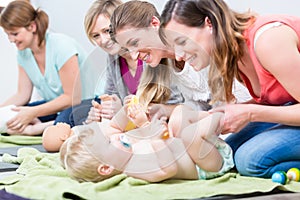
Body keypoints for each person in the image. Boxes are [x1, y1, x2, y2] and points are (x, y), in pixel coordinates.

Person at [159, 0, 300, 178]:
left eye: (182, 41)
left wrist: (249, 113)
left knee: (249, 161)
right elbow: (281, 97)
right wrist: (231, 112)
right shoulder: (234, 52)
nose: (178, 55)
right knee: (230, 152)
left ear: (209, 23)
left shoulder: (268, 41)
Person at [109, 0, 251, 113]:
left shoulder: (198, 45)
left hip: (249, 114)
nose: (134, 56)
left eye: (134, 42)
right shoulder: (167, 64)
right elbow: (200, 106)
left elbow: (242, 99)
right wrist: (164, 111)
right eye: (127, 49)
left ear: (154, 24)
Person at [59, 97, 233, 183]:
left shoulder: (121, 148)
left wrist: (129, 108)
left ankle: (212, 118)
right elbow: (168, 168)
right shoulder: (135, 167)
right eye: (109, 142)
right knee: (189, 135)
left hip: (196, 149)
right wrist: (155, 137)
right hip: (206, 165)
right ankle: (224, 116)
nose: (114, 137)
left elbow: (115, 127)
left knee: (179, 115)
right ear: (107, 167)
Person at [66, 0, 183, 127]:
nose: (103, 40)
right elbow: (110, 96)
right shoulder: (113, 58)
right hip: (133, 122)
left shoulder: (151, 54)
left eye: (107, 31)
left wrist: (121, 111)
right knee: (73, 115)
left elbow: (176, 105)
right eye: (96, 36)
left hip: (158, 121)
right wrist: (100, 112)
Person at [0, 0, 90, 134]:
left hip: (84, 103)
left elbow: (72, 98)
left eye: (15, 34)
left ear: (32, 26)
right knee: (13, 116)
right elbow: (22, 95)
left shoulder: (62, 47)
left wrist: (33, 113)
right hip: (56, 105)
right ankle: (45, 126)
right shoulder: (23, 53)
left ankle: (36, 129)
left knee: (63, 123)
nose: (11, 40)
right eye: (8, 35)